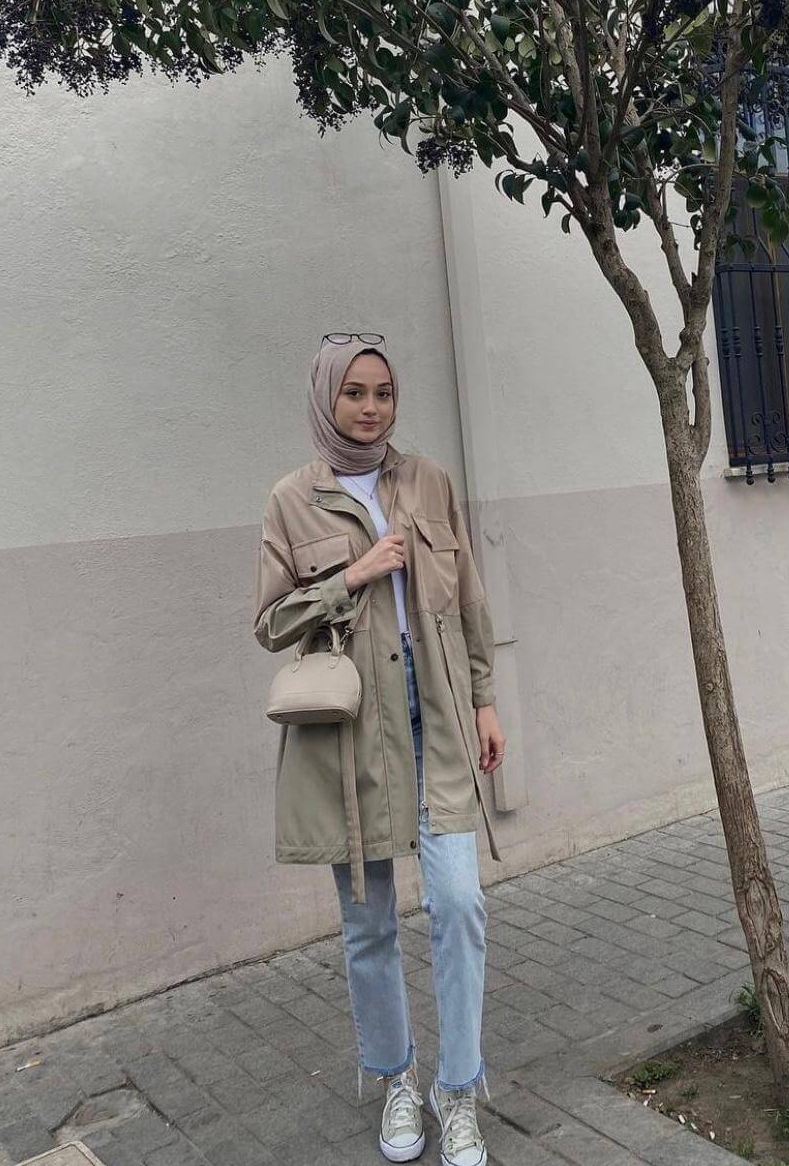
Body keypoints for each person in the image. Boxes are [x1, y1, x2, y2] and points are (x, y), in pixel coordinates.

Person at [254, 333, 506, 1166]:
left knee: (459, 906)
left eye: (384, 393)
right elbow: (270, 624)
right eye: (355, 392)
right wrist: (352, 575)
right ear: (326, 397)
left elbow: (468, 600)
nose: (371, 408)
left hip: (436, 718)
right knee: (368, 924)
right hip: (352, 733)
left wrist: (485, 699)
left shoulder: (428, 481)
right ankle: (396, 1077)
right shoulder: (292, 500)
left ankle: (457, 1088)